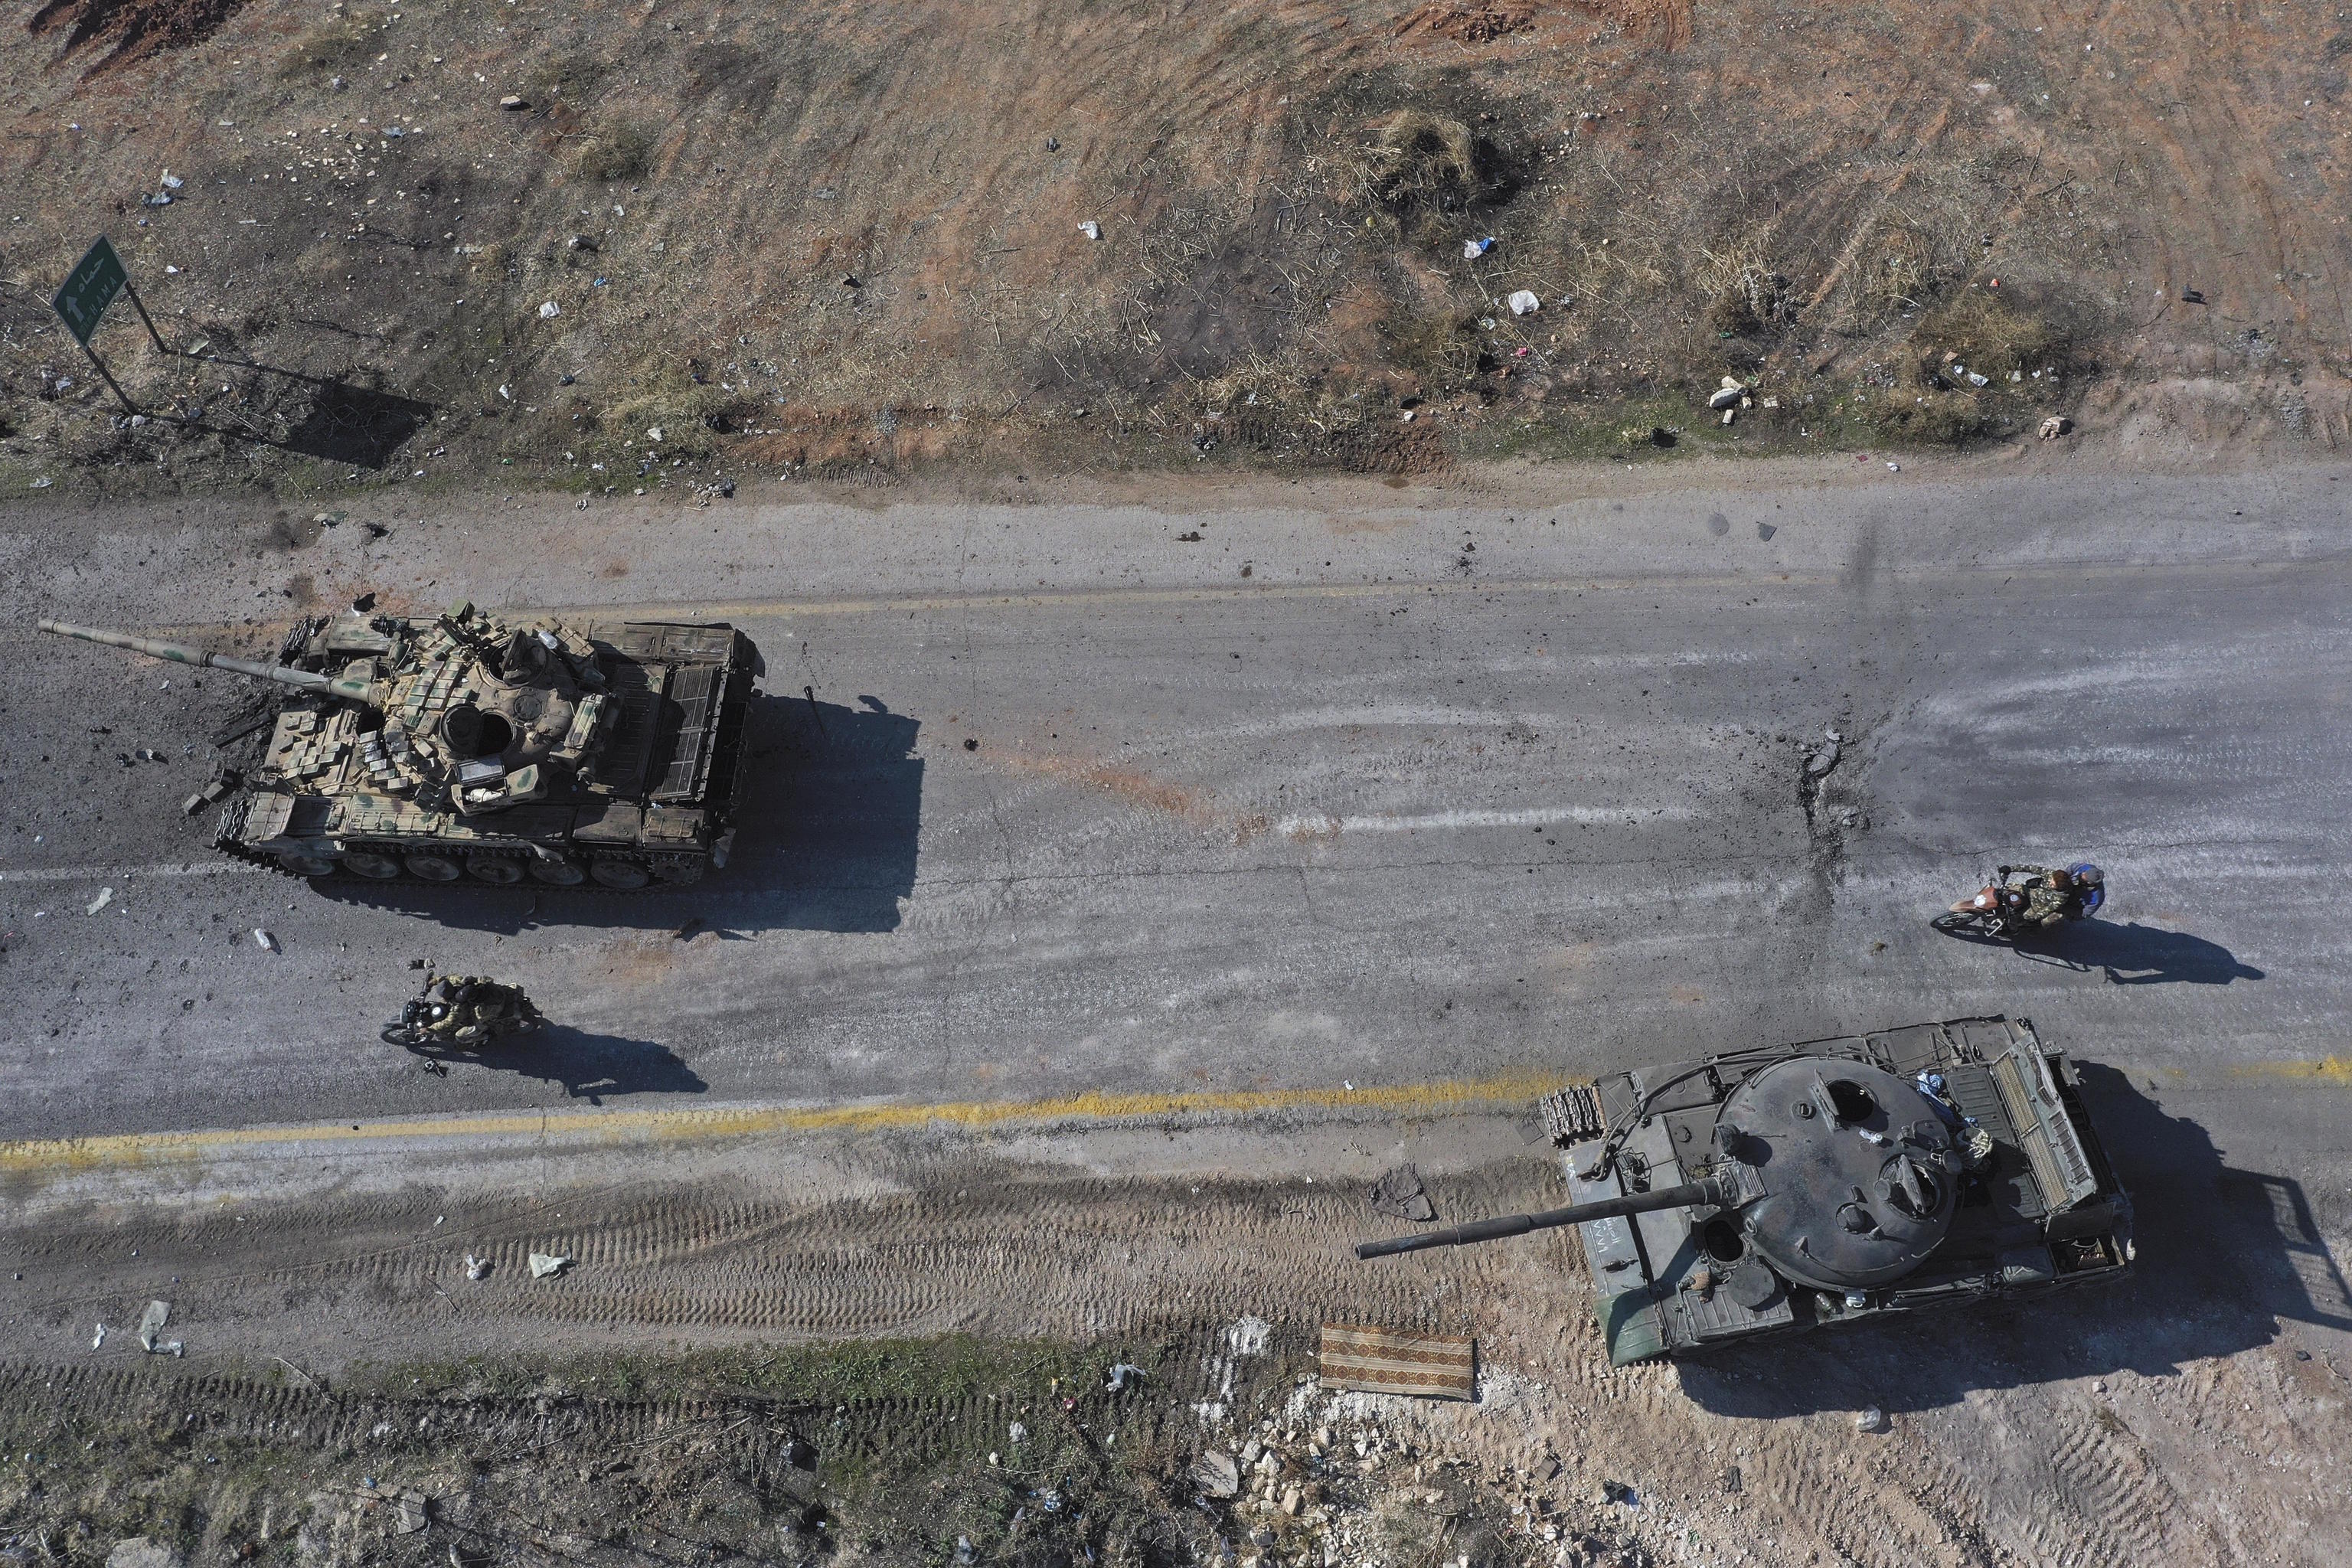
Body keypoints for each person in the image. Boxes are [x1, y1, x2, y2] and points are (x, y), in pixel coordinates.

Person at [1999, 865, 2082, 927]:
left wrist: (2035, 917)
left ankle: (2013, 930)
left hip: (2036, 906)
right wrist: (2011, 869)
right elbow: (2033, 869)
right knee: (2006, 890)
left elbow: (2047, 910)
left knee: (2019, 919)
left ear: (2059, 888)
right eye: (2051, 880)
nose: (2049, 882)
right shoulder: (2052, 875)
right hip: (2029, 891)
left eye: (2053, 884)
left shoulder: (2061, 898)